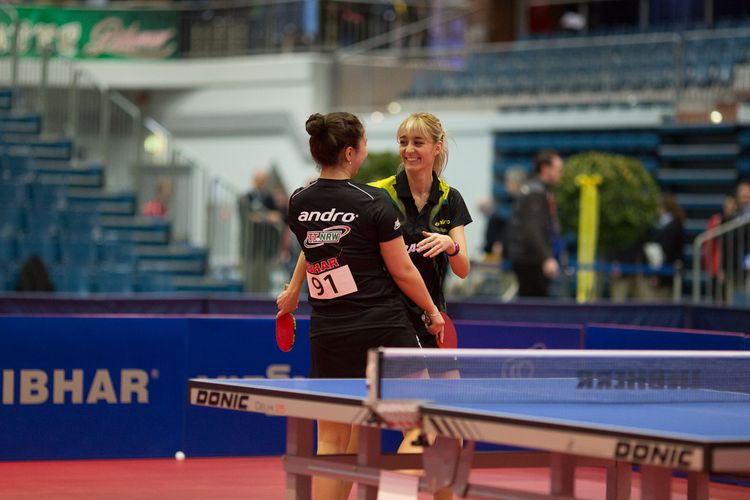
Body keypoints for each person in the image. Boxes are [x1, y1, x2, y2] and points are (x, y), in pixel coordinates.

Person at [277, 111, 444, 500]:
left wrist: (293, 291)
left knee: (335, 441)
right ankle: (396, 497)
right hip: (383, 329)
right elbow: (402, 270)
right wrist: (432, 312)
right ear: (351, 153)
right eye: (365, 143)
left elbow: (314, 246)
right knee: (425, 426)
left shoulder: (299, 202)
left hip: (330, 332)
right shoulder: (374, 202)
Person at [507, 150, 564, 297]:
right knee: (533, 308)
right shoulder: (535, 192)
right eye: (558, 170)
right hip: (530, 261)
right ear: (545, 169)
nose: (560, 174)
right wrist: (546, 257)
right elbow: (532, 228)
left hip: (529, 259)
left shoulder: (539, 190)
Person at [238, 170, 284, 293]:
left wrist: (262, 217)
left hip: (266, 245)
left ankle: (262, 296)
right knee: (251, 273)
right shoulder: (245, 198)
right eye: (259, 179)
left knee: (264, 274)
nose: (261, 182)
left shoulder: (269, 198)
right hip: (251, 242)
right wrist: (266, 217)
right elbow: (248, 217)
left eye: (264, 180)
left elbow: (277, 216)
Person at [644, 194, 685, 300]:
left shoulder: (673, 226)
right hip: (663, 273)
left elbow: (668, 252)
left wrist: (658, 276)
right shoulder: (667, 225)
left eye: (659, 207)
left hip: (666, 276)